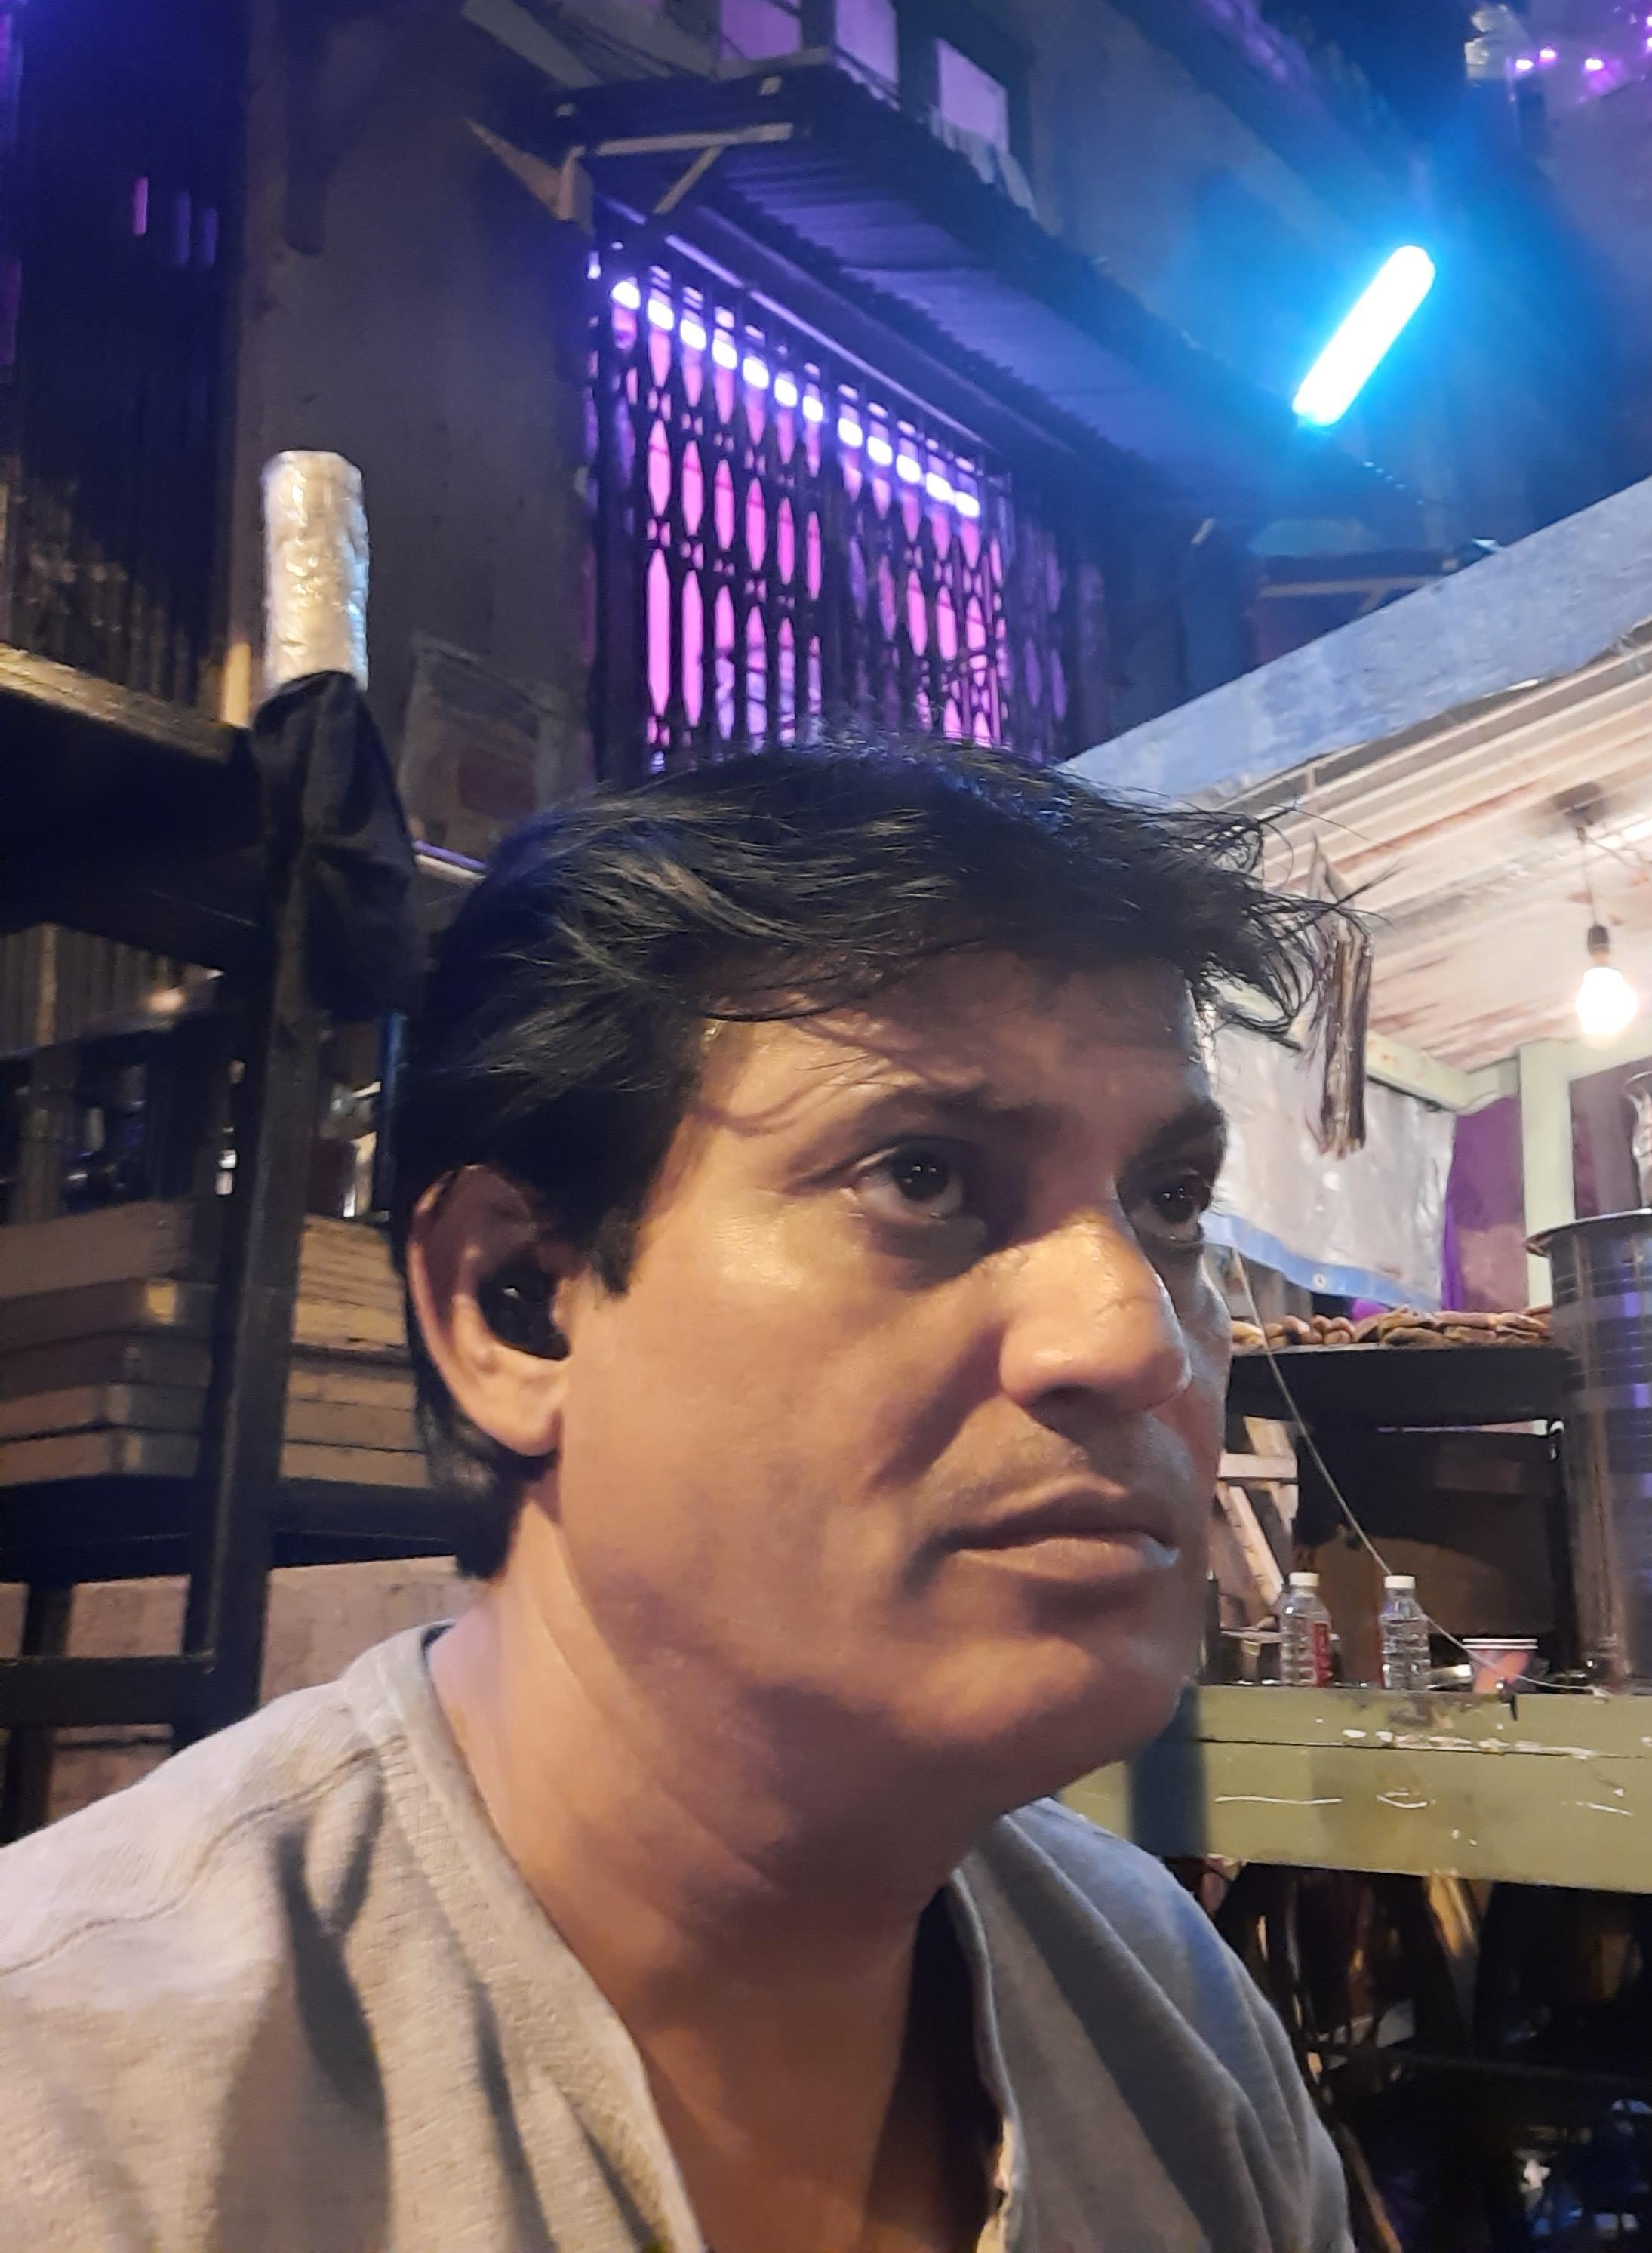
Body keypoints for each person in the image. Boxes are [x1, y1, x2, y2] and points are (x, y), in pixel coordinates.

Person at [0, 740, 1354, 2253]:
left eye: (1168, 1204)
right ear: (520, 1307)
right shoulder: (75, 2112)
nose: (1135, 1336)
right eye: (919, 1176)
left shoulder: (1172, 2015)